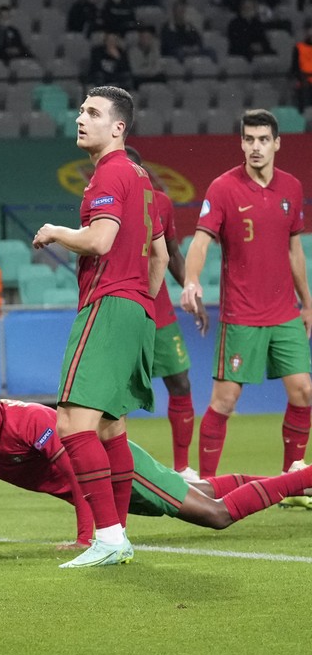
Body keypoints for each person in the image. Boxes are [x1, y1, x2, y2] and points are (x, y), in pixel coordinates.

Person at [0, 372, 312, 553]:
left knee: (215, 514)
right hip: (109, 484)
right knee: (203, 490)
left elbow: (75, 471)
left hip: (119, 471)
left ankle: (304, 478)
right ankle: (299, 481)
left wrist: (90, 537)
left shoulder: (29, 421)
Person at [31, 86, 168, 567]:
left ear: (118, 128)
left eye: (93, 113)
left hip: (108, 305)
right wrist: (140, 304)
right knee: (111, 428)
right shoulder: (142, 177)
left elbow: (100, 239)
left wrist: (55, 231)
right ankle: (117, 537)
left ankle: (108, 537)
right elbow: (161, 257)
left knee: (72, 423)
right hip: (135, 308)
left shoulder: (109, 173)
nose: (80, 119)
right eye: (81, 111)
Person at [180, 109, 312, 489]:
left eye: (263, 140)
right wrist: (191, 281)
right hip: (242, 315)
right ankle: (206, 487)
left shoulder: (292, 188)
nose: (256, 147)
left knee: (303, 391)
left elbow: (295, 251)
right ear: (241, 143)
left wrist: (307, 302)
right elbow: (200, 242)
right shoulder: (223, 188)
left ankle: (294, 481)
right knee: (225, 401)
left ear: (277, 143)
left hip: (285, 312)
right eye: (249, 139)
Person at [127, 147, 198, 477]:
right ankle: (116, 466)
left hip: (160, 313)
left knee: (181, 384)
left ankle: (182, 468)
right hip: (122, 313)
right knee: (114, 397)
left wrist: (190, 289)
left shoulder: (162, 203)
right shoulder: (102, 204)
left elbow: (172, 253)